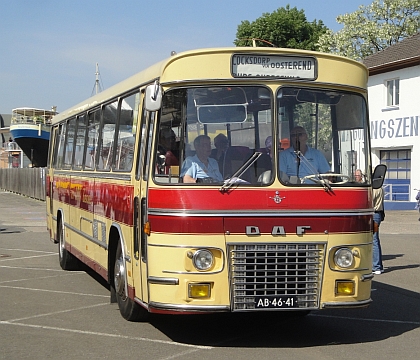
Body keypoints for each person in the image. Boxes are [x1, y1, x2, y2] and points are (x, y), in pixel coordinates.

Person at [372, 185, 385, 274]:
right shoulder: (380, 188)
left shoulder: (375, 189)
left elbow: (369, 200)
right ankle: (377, 266)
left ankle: (377, 266)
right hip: (377, 214)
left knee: (374, 240)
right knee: (374, 240)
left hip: (374, 214)